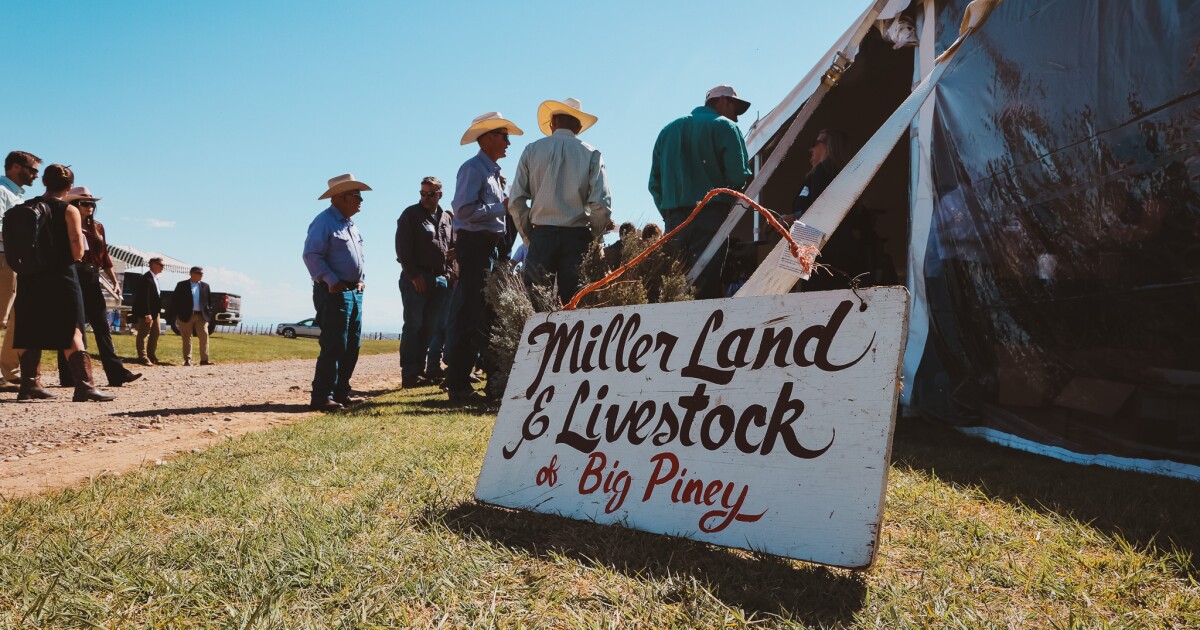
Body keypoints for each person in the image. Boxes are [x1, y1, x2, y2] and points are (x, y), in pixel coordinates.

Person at [11, 165, 113, 402]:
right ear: (69, 187)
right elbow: (77, 250)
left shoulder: (26, 207)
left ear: (44, 182)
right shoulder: (69, 210)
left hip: (29, 274)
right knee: (72, 326)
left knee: (28, 328)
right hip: (60, 275)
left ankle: (29, 385)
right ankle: (84, 386)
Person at [444, 112, 523, 403]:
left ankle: (477, 380)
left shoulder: (490, 172)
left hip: (488, 246)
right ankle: (458, 384)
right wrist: (501, 207)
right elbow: (463, 210)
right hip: (476, 246)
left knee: (484, 312)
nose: (508, 143)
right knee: (471, 313)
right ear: (488, 137)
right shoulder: (473, 169)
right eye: (504, 137)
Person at [648, 84, 753, 299]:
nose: (736, 117)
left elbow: (654, 184)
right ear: (722, 101)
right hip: (711, 217)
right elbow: (738, 176)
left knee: (675, 287)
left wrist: (670, 214)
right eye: (734, 108)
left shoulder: (668, 131)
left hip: (674, 222)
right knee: (705, 288)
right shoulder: (726, 127)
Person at [509, 98, 612, 305]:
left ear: (552, 123)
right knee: (575, 306)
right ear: (579, 127)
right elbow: (601, 204)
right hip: (576, 238)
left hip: (541, 235)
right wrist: (593, 237)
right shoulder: (592, 154)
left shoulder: (531, 150)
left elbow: (516, 201)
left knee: (537, 306)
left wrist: (530, 237)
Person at [58, 186, 142, 386]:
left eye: (92, 203)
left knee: (102, 326)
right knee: (73, 326)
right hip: (73, 274)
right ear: (74, 204)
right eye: (85, 203)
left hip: (92, 276)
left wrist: (114, 281)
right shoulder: (65, 224)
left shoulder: (98, 227)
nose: (90, 206)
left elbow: (104, 256)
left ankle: (116, 373)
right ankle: (69, 375)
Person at [303, 173, 370, 412]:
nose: (361, 200)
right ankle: (322, 396)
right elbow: (311, 255)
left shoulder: (350, 225)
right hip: (334, 291)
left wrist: (361, 280)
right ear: (340, 197)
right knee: (334, 344)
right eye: (356, 195)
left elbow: (358, 258)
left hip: (353, 292)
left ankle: (342, 392)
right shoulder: (324, 221)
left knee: (352, 345)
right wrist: (331, 280)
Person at [782, 129, 865, 290]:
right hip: (838, 251)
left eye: (815, 143)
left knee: (815, 297)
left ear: (829, 146)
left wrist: (789, 218)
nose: (810, 149)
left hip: (823, 252)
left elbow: (818, 211)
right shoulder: (845, 174)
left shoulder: (824, 170)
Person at [395, 176, 454, 387]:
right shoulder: (411, 214)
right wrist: (413, 275)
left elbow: (450, 247)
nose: (426, 198)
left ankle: (420, 371)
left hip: (439, 279)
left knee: (429, 327)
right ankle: (410, 373)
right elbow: (402, 249)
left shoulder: (446, 218)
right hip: (417, 278)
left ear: (440, 195)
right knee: (414, 325)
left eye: (431, 194)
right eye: (423, 193)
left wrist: (448, 274)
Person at [0, 151, 43, 387]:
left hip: (16, 261)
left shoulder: (17, 196)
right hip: (3, 258)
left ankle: (9, 371)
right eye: (33, 170)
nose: (36, 175)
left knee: (18, 319)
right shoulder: (1, 191)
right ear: (15, 167)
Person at [172, 266, 215, 366]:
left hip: (201, 316)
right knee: (187, 337)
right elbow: (175, 300)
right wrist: (177, 314)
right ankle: (187, 360)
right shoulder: (181, 285)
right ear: (192, 273)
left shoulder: (205, 286)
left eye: (202, 273)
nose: (201, 275)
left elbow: (209, 302)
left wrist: (208, 313)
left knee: (204, 336)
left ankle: (204, 360)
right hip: (185, 315)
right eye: (199, 273)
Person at [131, 257, 165, 365]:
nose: (163, 267)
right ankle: (142, 356)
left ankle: (151, 355)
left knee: (156, 333)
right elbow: (143, 298)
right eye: (161, 265)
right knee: (143, 334)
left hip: (155, 312)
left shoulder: (155, 278)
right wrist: (147, 313)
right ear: (154, 265)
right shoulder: (146, 279)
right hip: (147, 312)